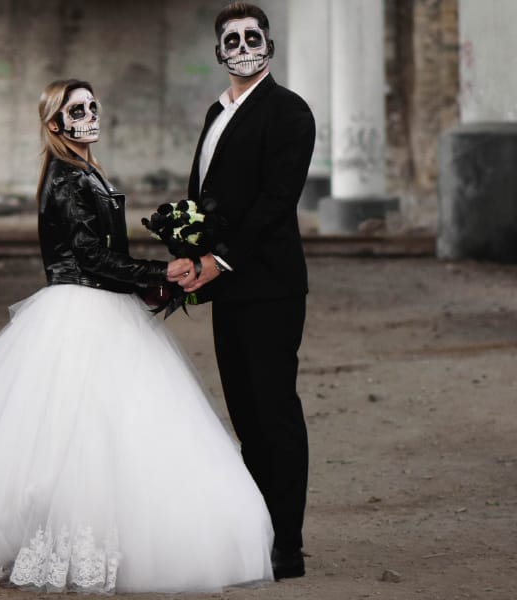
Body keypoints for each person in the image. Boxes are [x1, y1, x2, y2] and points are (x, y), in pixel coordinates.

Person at [0, 79, 274, 595]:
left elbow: (102, 254)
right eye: (77, 108)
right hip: (78, 308)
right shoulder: (67, 178)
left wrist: (145, 286)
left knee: (100, 429)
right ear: (56, 123)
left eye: (94, 103)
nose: (90, 113)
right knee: (75, 432)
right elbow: (87, 256)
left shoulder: (85, 170)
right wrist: (157, 273)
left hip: (101, 303)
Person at [167, 2, 316, 581]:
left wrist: (218, 259)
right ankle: (259, 530)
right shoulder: (216, 111)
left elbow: (277, 201)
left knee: (274, 410)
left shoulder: (289, 112)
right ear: (219, 52)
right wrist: (185, 252)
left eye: (255, 36)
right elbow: (204, 196)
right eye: (232, 39)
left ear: (270, 46)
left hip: (270, 287)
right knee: (244, 414)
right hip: (224, 286)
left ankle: (289, 545)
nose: (244, 45)